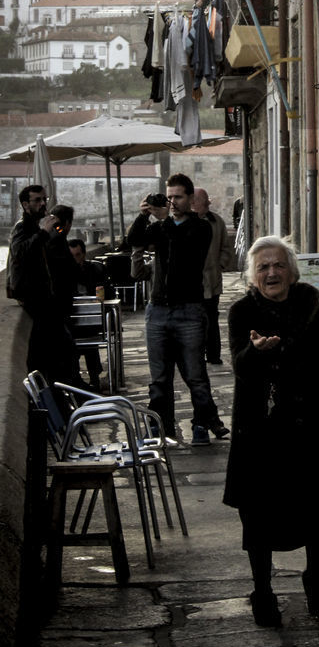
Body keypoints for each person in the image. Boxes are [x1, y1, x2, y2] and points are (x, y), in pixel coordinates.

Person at [223, 237, 319, 628]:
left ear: (291, 271)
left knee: (317, 507)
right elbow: (240, 368)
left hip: (308, 427)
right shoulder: (242, 312)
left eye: (278, 266)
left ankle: (315, 576)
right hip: (259, 432)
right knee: (257, 515)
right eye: (263, 268)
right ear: (253, 275)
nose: (271, 273)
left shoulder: (309, 301)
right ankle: (262, 590)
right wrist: (256, 352)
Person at [126, 173, 229, 446]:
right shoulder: (161, 227)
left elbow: (184, 243)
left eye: (177, 197)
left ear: (190, 199)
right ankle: (163, 429)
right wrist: (143, 215)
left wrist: (162, 219)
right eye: (169, 197)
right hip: (158, 311)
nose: (172, 202)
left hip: (190, 311)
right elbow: (133, 239)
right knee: (159, 379)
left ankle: (201, 425)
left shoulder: (200, 227)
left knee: (196, 375)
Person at [8, 187, 79, 383]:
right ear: (25, 204)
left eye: (43, 200)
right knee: (50, 353)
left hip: (45, 298)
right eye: (37, 200)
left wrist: (54, 233)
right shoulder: (22, 227)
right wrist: (44, 232)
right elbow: (20, 254)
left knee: (62, 350)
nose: (42, 204)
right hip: (33, 299)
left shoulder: (37, 227)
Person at [191, 188, 236, 365]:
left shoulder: (216, 221)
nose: (193, 203)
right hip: (191, 282)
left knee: (211, 318)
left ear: (204, 202)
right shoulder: (185, 222)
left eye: (196, 200)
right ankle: (195, 355)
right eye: (192, 199)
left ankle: (213, 354)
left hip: (212, 280)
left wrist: (219, 266)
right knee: (193, 320)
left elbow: (226, 248)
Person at [67, 237, 112, 391]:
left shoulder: (95, 270)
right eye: (71, 256)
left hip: (92, 320)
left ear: (84, 254)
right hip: (72, 321)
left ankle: (93, 377)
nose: (75, 259)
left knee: (88, 337)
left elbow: (109, 292)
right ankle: (84, 378)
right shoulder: (64, 274)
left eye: (78, 255)